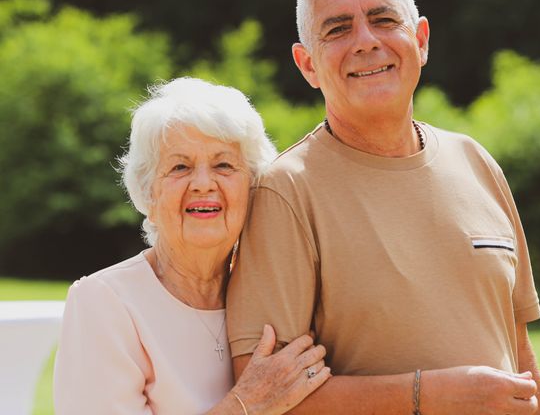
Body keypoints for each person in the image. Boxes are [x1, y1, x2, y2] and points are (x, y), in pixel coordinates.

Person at [227, 0, 540, 414]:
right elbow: (265, 396)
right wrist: (429, 396)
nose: (365, 42)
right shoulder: (285, 192)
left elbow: (519, 354)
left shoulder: (477, 163)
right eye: (337, 30)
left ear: (420, 40)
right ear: (308, 65)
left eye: (383, 20)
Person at [53, 78, 331, 415]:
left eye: (224, 165)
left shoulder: (271, 293)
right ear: (148, 192)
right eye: (180, 166)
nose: (202, 183)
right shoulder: (104, 302)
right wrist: (248, 404)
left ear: (253, 188)